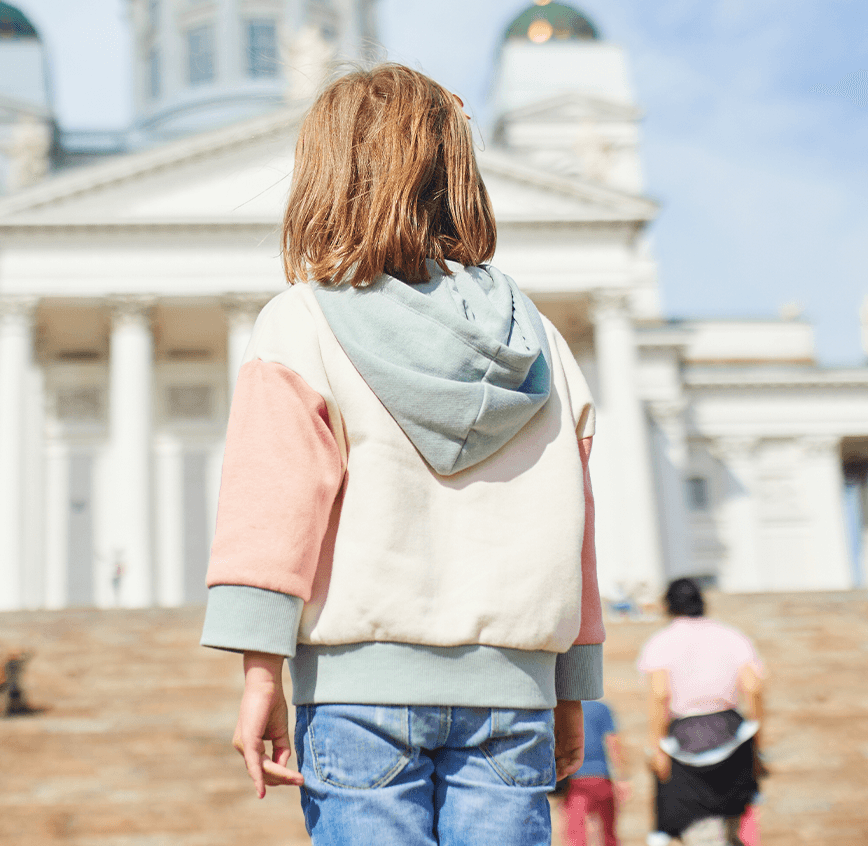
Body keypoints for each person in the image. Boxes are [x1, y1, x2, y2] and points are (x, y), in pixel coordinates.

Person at [200, 64, 604, 845]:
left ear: (329, 175)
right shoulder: (540, 342)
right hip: (513, 693)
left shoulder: (300, 324)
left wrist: (260, 674)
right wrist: (571, 688)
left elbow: (273, 512)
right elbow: (575, 530)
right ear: (456, 174)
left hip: (359, 692)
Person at [638, 578, 764, 846]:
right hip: (732, 734)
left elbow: (660, 694)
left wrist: (657, 748)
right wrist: (757, 742)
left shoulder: (661, 642)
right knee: (732, 827)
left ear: (667, 606)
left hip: (685, 739)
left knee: (698, 829)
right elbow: (753, 687)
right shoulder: (732, 636)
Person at [562, 700, 629, 846]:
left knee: (576, 834)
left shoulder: (563, 707)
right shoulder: (602, 708)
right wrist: (622, 778)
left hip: (574, 779)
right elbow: (613, 743)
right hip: (601, 778)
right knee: (608, 834)